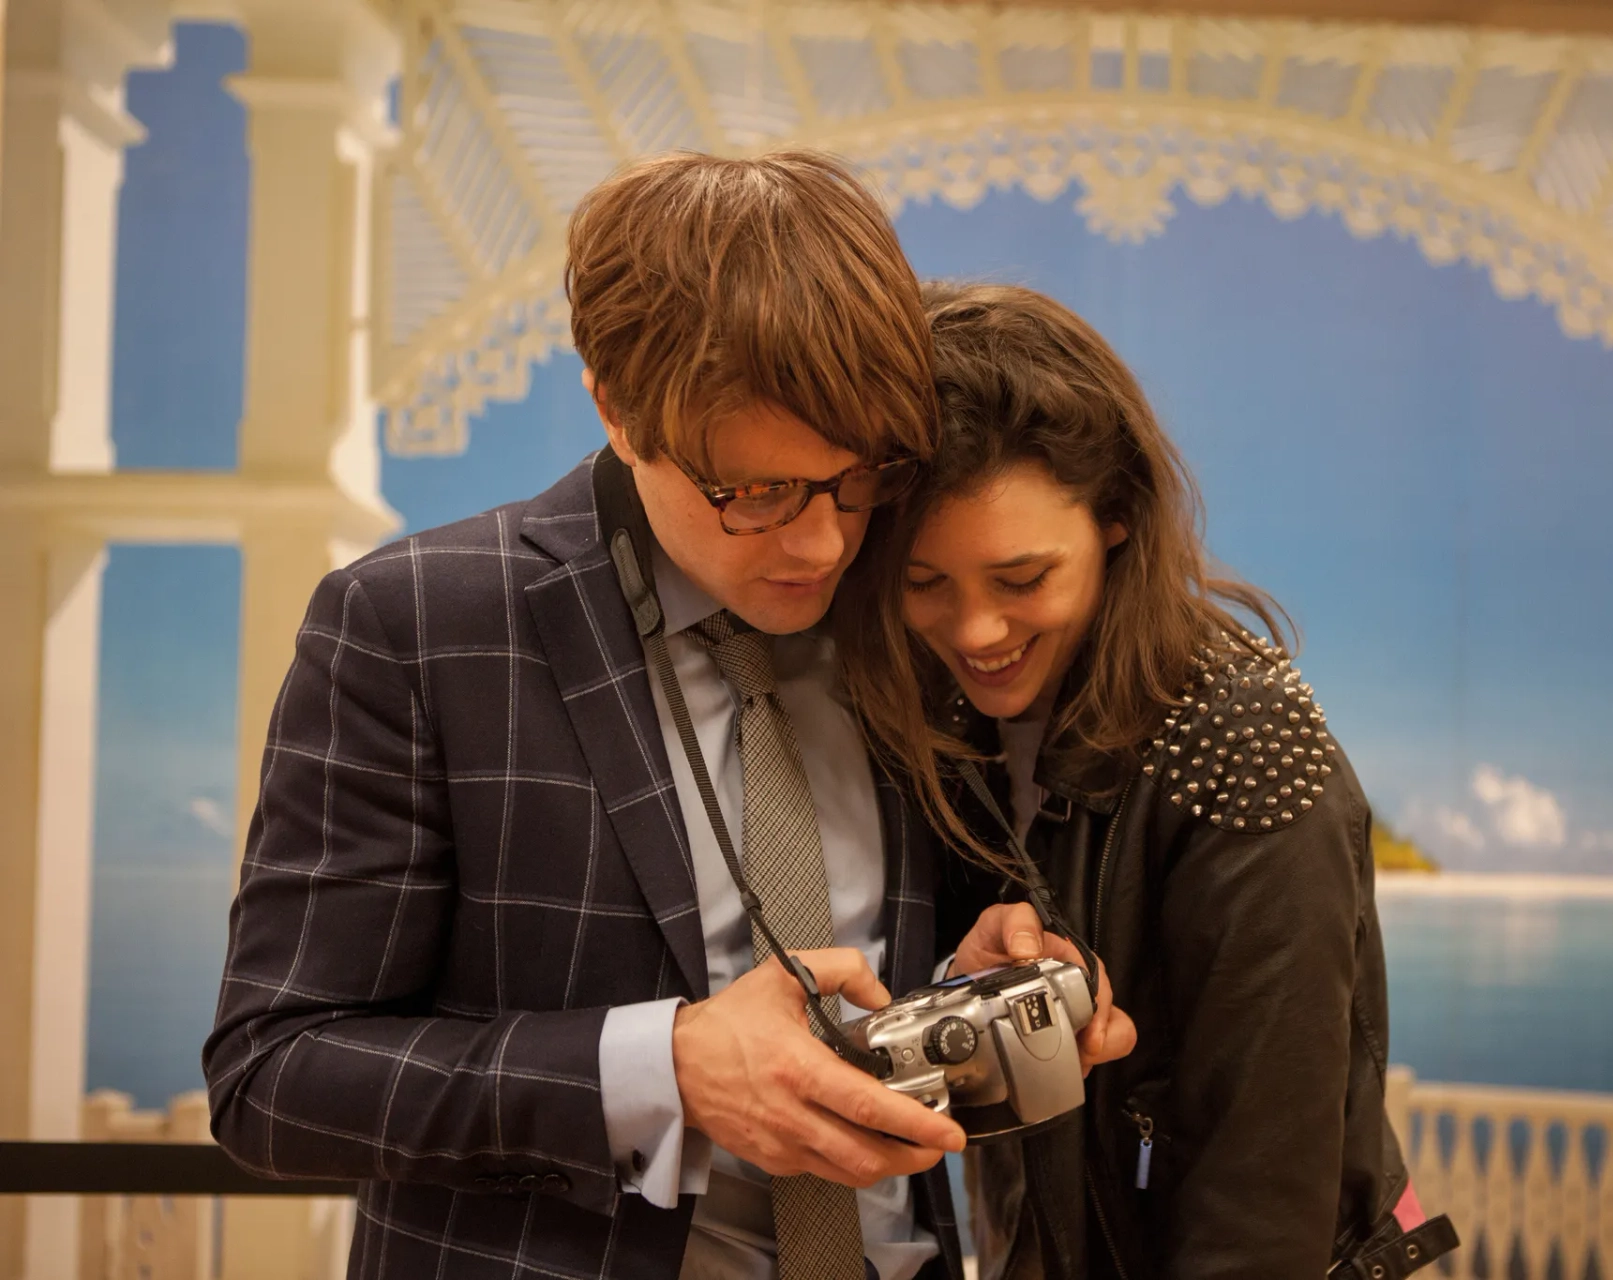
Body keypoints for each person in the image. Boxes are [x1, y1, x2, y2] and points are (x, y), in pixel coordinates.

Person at [202, 153, 1125, 1280]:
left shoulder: (905, 597)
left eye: (858, 476)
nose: (822, 544)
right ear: (616, 406)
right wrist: (665, 1064)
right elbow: (274, 1076)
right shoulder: (416, 624)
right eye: (757, 491)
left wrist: (968, 974)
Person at [837, 284, 1446, 1280]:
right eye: (923, 582)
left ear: (1117, 515)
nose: (975, 631)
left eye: (1023, 579)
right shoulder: (945, 717)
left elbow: (1262, 1196)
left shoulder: (1247, 743)